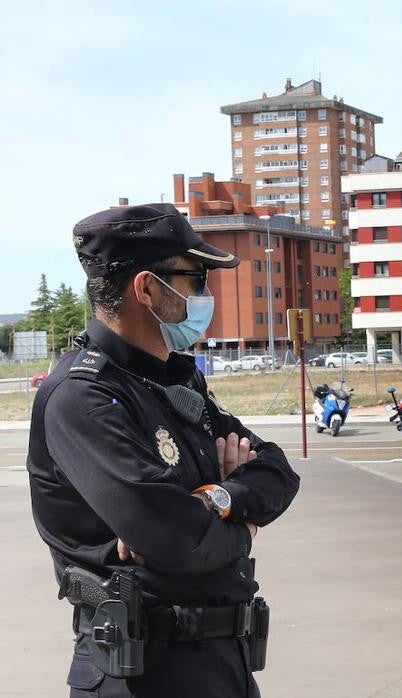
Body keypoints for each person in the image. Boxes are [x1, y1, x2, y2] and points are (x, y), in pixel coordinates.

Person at [27, 203, 301, 697]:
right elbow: (178, 538)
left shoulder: (177, 379)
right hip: (143, 673)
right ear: (148, 288)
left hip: (225, 664)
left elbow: (277, 471)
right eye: (196, 278)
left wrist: (219, 500)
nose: (206, 294)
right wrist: (245, 524)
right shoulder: (82, 397)